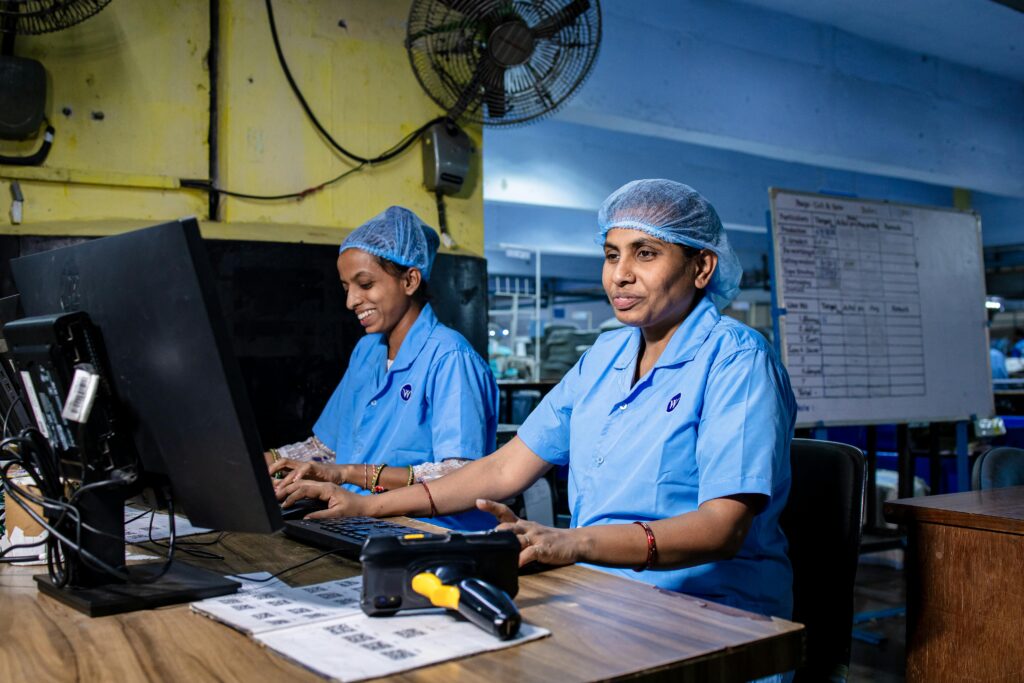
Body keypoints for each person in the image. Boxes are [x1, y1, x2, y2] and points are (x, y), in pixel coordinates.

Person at [279, 180, 796, 623]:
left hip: (708, 612)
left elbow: (721, 529)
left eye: (646, 253)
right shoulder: (605, 356)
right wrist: (369, 505)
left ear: (702, 267)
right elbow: (502, 470)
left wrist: (574, 541)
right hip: (600, 592)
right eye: (612, 254)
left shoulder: (737, 360)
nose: (619, 274)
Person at [268, 206, 499, 530]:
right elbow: (327, 450)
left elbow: (459, 475)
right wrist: (270, 462)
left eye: (364, 284)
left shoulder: (450, 358)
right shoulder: (367, 352)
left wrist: (353, 475)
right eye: (346, 287)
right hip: (356, 521)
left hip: (433, 534)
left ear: (410, 280)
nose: (351, 302)